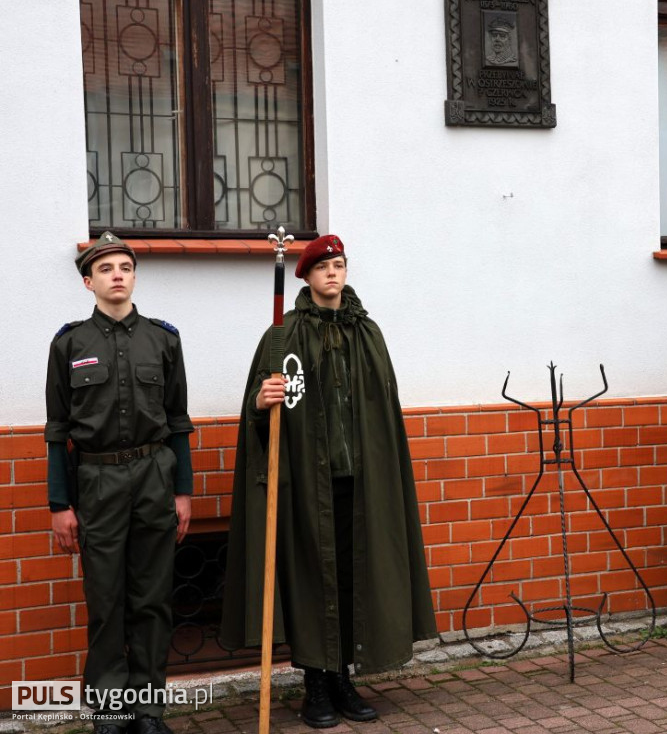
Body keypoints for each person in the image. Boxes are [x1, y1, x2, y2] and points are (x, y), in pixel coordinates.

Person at [220, 234, 437, 727]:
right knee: (311, 583)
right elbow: (259, 416)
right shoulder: (283, 335)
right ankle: (315, 684)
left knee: (351, 579)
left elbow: (384, 411)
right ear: (307, 277)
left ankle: (343, 678)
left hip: (360, 484)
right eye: (323, 268)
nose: (333, 274)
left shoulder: (368, 333)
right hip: (305, 484)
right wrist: (261, 402)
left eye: (339, 265)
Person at [45, 233, 194, 734]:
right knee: (106, 600)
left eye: (124, 267)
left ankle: (148, 711)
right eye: (105, 268)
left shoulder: (163, 339)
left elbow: (177, 421)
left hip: (154, 476)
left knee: (152, 600)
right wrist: (59, 503)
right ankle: (110, 712)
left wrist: (182, 492)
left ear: (134, 276)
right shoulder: (69, 343)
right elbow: (58, 430)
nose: (117, 274)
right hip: (97, 481)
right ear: (88, 282)